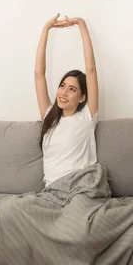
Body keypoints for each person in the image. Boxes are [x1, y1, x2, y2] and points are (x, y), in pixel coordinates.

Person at [34, 14, 99, 188]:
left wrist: (81, 24)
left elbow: (91, 69)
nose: (63, 93)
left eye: (72, 89)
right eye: (62, 86)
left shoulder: (87, 116)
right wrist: (46, 29)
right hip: (53, 192)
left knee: (75, 213)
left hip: (80, 188)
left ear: (82, 97)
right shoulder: (48, 115)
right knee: (10, 209)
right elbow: (39, 74)